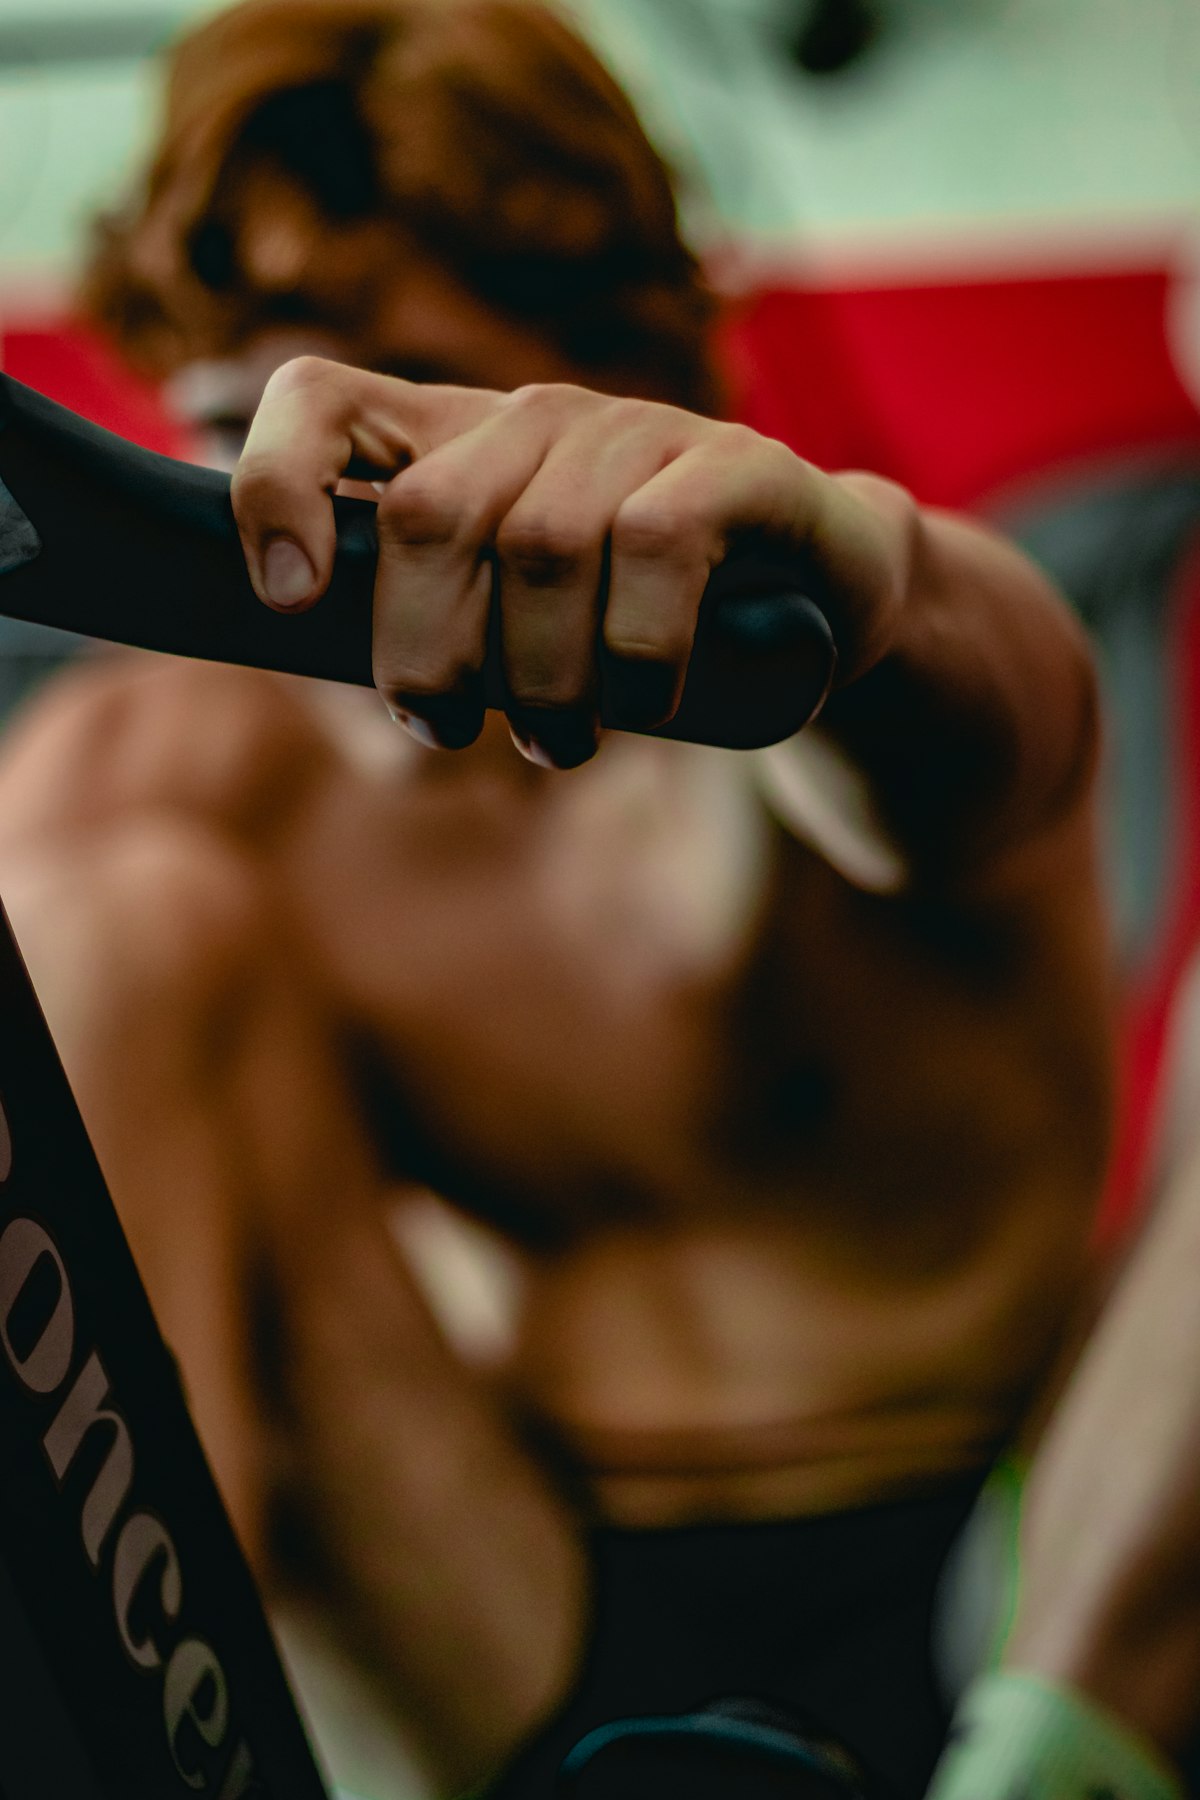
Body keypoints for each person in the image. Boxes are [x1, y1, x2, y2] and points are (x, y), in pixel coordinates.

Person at [0, 1, 1134, 1794]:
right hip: (498, 1611)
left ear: (616, 392)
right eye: (249, 429)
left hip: (1003, 1598)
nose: (332, 495)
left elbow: (986, 701)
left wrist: (855, 570)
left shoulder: (817, 677)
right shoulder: (165, 773)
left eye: (417, 407)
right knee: (101, 929)